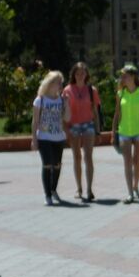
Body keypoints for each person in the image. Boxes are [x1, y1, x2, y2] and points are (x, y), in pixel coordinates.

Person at [63, 62, 101, 202]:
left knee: (88, 157)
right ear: (73, 74)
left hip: (88, 125)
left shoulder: (92, 90)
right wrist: (65, 128)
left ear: (86, 75)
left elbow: (95, 112)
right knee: (77, 157)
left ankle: (89, 189)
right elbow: (64, 111)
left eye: (82, 73)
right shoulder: (67, 90)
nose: (80, 76)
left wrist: (98, 131)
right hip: (73, 125)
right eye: (77, 73)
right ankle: (79, 188)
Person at [112, 64, 139, 203]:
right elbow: (117, 113)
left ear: (133, 76)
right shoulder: (121, 93)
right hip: (124, 131)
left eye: (125, 75)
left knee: (136, 161)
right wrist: (113, 131)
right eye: (122, 76)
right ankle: (130, 193)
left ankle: (136, 186)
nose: (123, 78)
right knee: (127, 162)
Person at [32, 70, 68, 205]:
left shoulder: (61, 100)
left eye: (60, 83)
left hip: (59, 137)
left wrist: (67, 103)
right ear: (50, 83)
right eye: (57, 82)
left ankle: (53, 190)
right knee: (47, 165)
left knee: (57, 165)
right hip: (44, 137)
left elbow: (67, 118)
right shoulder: (40, 100)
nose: (59, 85)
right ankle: (47, 195)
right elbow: (35, 121)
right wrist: (34, 140)